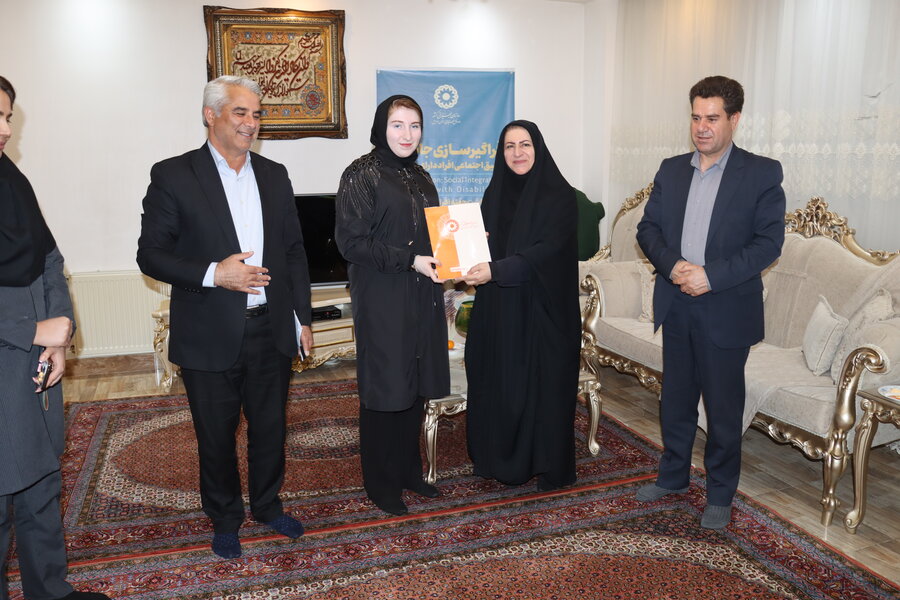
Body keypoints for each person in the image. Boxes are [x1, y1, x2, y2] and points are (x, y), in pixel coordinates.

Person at [136, 76, 313, 558]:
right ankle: (225, 518)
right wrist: (217, 274)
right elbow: (151, 255)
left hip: (271, 328)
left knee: (270, 429)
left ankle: (268, 506)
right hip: (208, 331)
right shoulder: (174, 175)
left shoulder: (274, 175)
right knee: (215, 436)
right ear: (210, 115)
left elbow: (293, 252)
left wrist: (301, 318)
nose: (251, 123)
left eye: (257, 114)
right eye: (240, 112)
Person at [634, 76, 785, 529]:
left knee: (722, 409)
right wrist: (674, 266)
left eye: (712, 118)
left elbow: (768, 244)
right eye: (696, 117)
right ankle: (673, 477)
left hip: (726, 308)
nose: (702, 127)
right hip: (676, 300)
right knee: (675, 401)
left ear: (734, 120)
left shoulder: (761, 173)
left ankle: (720, 493)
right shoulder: (671, 169)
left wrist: (710, 276)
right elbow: (648, 229)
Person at [0, 77, 111, 600]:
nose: (5, 128)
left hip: (36, 363)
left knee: (42, 480)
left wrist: (58, 335)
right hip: (6, 358)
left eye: (7, 116)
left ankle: (51, 592)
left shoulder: (13, 181)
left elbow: (49, 258)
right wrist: (29, 330)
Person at [335, 95, 449, 516]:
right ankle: (380, 484)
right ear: (382, 127)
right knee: (386, 388)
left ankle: (408, 472)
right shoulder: (361, 174)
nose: (407, 134)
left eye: (415, 126)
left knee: (415, 386)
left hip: (422, 295)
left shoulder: (421, 175)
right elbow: (352, 243)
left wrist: (462, 246)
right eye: (398, 125)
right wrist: (410, 260)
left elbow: (434, 234)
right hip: (383, 296)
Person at [462, 120, 580, 492]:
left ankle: (544, 464)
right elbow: (483, 247)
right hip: (499, 308)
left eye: (525, 144)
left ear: (538, 148)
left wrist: (496, 270)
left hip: (543, 311)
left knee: (541, 389)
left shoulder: (560, 197)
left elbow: (547, 252)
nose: (517, 153)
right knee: (496, 380)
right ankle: (496, 459)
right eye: (509, 146)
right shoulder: (493, 193)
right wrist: (470, 254)